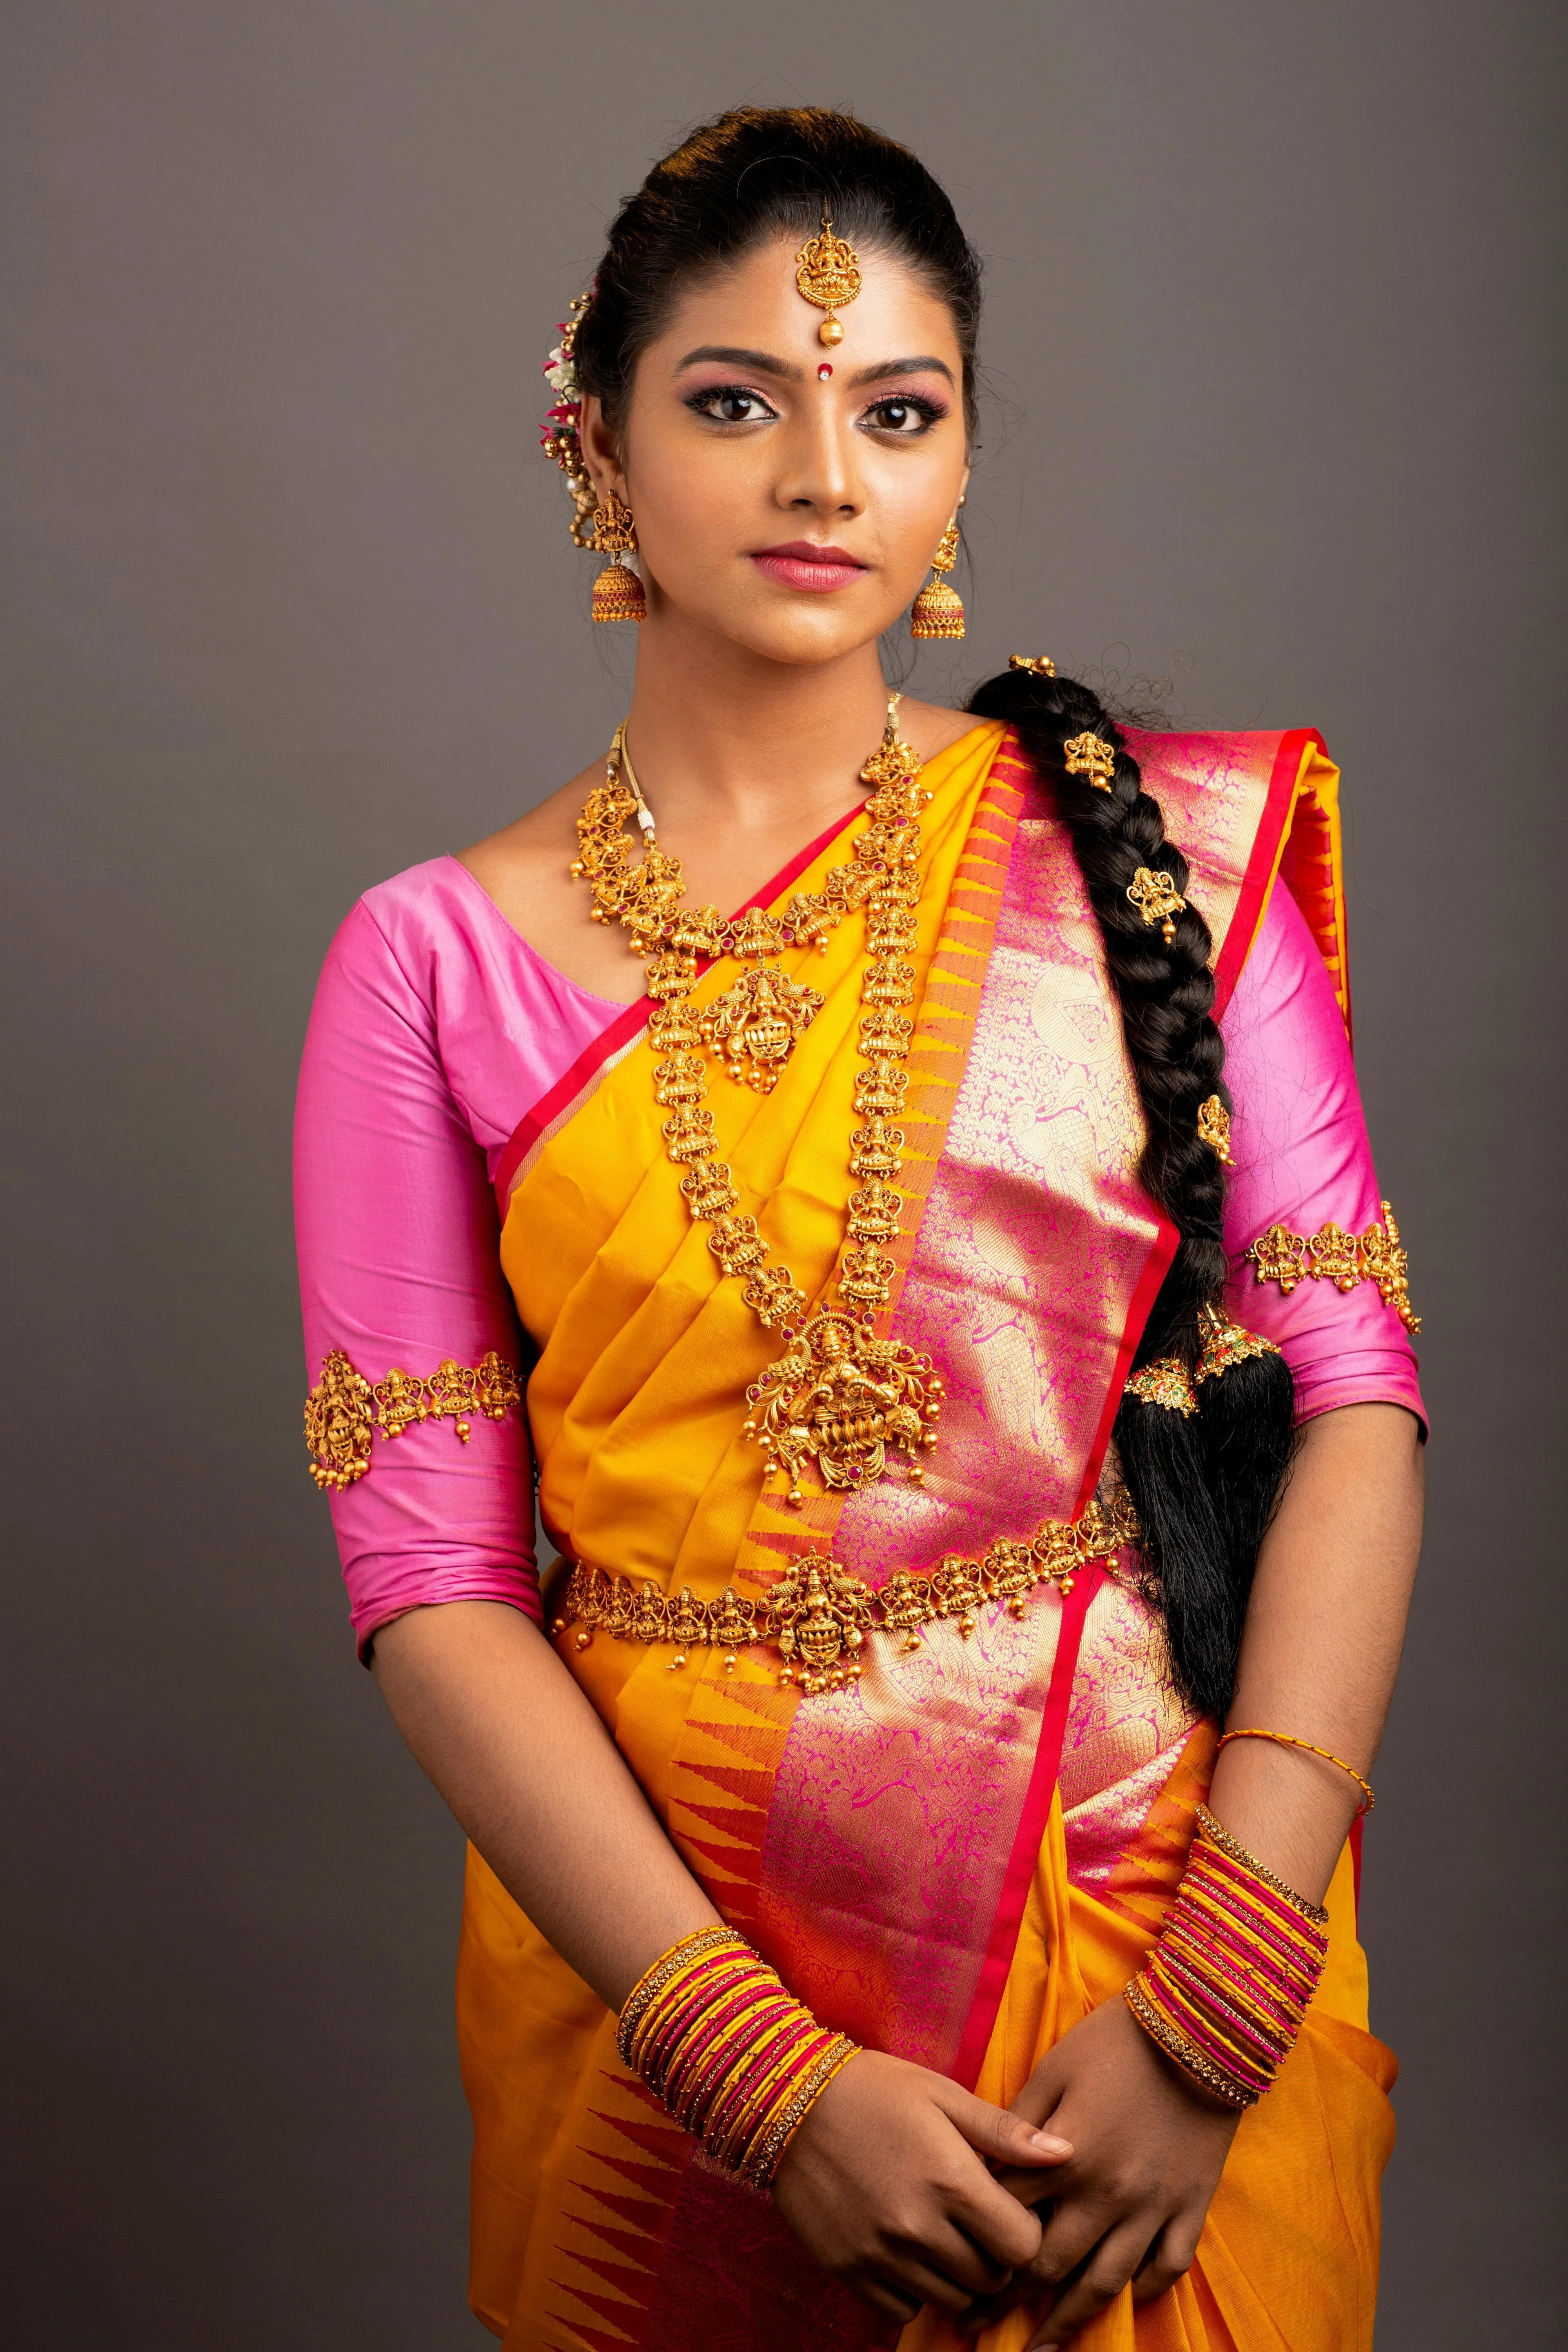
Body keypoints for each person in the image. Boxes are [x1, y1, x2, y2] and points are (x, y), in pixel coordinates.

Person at [294, 107, 1425, 2352]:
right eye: (737, 401)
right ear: (590, 438)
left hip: (1146, 1921)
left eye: (896, 414)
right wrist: (756, 2075)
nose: (825, 480)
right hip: (673, 1995)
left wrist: (1225, 1997)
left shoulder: (1154, 863)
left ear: (961, 464)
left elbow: (1357, 1407)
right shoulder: (429, 962)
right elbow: (426, 1579)